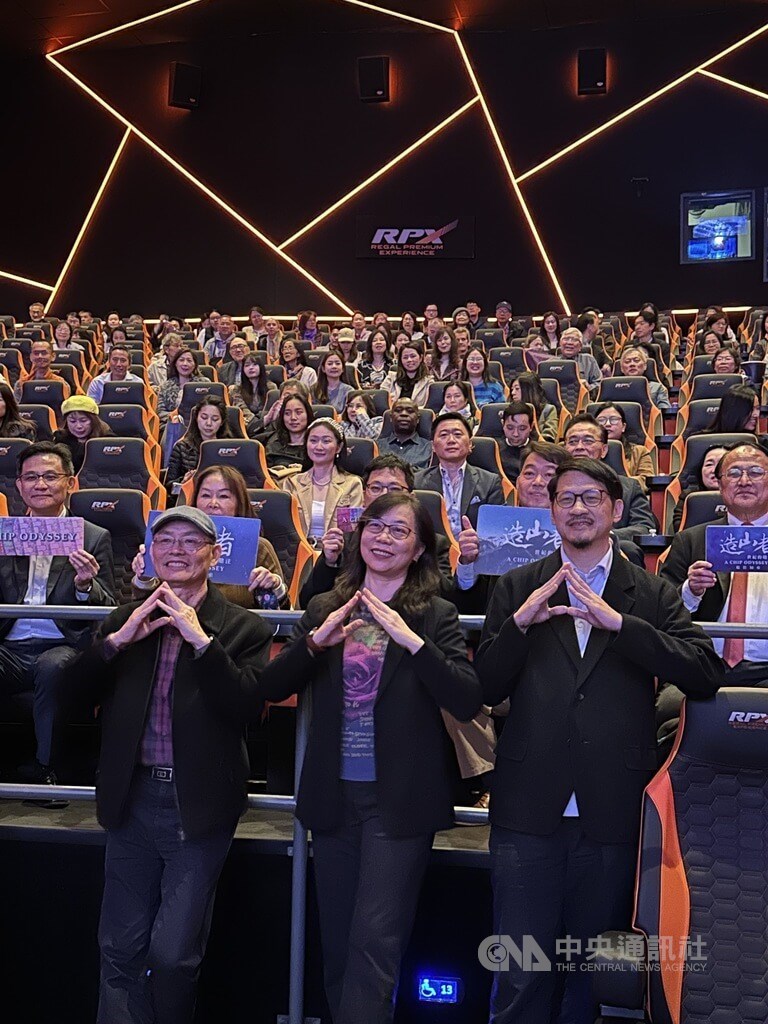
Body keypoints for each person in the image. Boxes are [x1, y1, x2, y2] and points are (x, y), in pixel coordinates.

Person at [477, 457, 722, 1024]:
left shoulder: (651, 593)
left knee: (594, 978)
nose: (578, 508)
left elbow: (704, 673)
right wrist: (518, 626)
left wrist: (622, 627)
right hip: (527, 808)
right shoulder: (519, 585)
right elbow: (483, 685)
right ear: (551, 509)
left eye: (590, 498)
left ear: (615, 509)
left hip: (612, 811)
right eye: (565, 498)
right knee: (521, 972)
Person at [259, 492, 481, 1024]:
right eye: (375, 526)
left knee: (374, 942)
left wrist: (412, 642)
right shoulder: (324, 606)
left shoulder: (435, 613)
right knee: (337, 943)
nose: (383, 538)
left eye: (399, 531)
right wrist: (314, 643)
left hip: (399, 801)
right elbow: (270, 685)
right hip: (334, 796)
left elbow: (467, 697)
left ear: (421, 550)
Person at [72, 505, 272, 1023]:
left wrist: (200, 641)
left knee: (172, 954)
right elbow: (71, 693)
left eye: (190, 542)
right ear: (150, 554)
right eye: (165, 542)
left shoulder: (243, 627)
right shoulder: (125, 619)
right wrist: (117, 641)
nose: (177, 551)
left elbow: (246, 706)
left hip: (197, 804)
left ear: (215, 554)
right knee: (118, 948)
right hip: (131, 797)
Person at [0, 442, 115, 790]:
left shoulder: (93, 537)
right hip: (10, 645)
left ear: (70, 483)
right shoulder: (5, 536)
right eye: (31, 477)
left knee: (53, 667)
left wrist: (84, 585)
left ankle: (46, 768)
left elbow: (110, 605)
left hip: (63, 643)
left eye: (50, 476)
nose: (40, 484)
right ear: (18, 485)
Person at [660, 441, 768, 686]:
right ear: (719, 485)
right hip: (705, 665)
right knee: (668, 710)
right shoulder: (691, 540)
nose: (744, 481)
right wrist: (691, 590)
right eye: (733, 473)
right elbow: (663, 614)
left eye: (756, 472)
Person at [133, 465, 289, 610]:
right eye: (206, 495)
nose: (213, 503)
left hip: (234, 634)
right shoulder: (169, 543)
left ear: (238, 503)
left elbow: (281, 616)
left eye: (223, 496)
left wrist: (274, 587)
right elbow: (142, 606)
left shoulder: (259, 547)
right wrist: (144, 576)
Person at [563, 414, 657, 565]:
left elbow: (644, 528)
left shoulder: (629, 487)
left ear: (604, 450)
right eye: (573, 441)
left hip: (612, 556)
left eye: (588, 441)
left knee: (629, 549)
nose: (579, 447)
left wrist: (604, 536)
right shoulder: (551, 486)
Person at [415, 412, 504, 537]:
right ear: (433, 446)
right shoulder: (417, 482)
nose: (451, 440)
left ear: (470, 444)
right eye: (443, 435)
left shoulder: (490, 482)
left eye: (457, 434)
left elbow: (496, 531)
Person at [282, 418, 364, 544]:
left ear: (338, 447)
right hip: (298, 553)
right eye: (313, 441)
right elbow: (286, 530)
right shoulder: (292, 483)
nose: (318, 446)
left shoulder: (352, 485)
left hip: (337, 553)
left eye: (326, 441)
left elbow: (349, 531)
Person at [166, 396, 233, 487]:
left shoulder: (231, 448)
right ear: (196, 418)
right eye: (204, 417)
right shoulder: (181, 447)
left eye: (215, 419)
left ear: (222, 422)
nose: (208, 423)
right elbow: (169, 486)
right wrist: (183, 481)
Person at [594, 402, 653, 491]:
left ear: (623, 427)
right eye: (601, 420)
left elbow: (646, 481)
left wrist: (611, 484)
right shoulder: (585, 450)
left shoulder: (640, 451)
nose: (607, 424)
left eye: (613, 419)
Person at [670, 444, 728, 532]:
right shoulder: (688, 496)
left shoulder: (744, 495)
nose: (714, 470)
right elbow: (679, 527)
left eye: (721, 464)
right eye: (709, 464)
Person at [52, 395, 113, 472]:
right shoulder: (61, 439)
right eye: (72, 421)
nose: (78, 426)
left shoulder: (106, 439)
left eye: (83, 420)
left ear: (94, 421)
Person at [156, 346, 208, 427]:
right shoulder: (165, 386)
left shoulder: (205, 384)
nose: (185, 364)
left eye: (189, 360)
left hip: (200, 424)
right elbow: (160, 412)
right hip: (172, 424)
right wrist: (174, 417)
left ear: (195, 365)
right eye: (181, 360)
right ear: (175, 363)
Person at [229, 352, 276, 437]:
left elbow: (270, 410)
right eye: (247, 365)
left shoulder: (271, 387)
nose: (251, 368)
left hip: (267, 426)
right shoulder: (236, 389)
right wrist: (257, 423)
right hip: (247, 425)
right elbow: (242, 410)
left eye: (254, 364)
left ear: (261, 367)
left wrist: (263, 421)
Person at [377, 397, 432, 469]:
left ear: (418, 419)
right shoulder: (376, 446)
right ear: (390, 417)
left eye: (410, 411)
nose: (404, 414)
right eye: (398, 410)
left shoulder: (430, 448)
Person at [265, 391, 313, 473]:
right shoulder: (273, 445)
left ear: (308, 414)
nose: (293, 418)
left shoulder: (316, 446)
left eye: (298, 412)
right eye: (287, 413)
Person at [510, 371, 558, 441]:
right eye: (512, 389)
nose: (512, 393)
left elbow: (549, 437)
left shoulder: (548, 410)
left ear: (528, 390)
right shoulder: (509, 410)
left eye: (517, 389)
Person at [383, 340, 432, 407]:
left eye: (413, 356)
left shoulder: (429, 381)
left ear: (420, 358)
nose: (409, 360)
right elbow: (382, 401)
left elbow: (428, 407)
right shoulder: (390, 378)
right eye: (405, 357)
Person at [498, 402, 534, 482]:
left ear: (531, 427)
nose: (515, 434)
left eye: (522, 428)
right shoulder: (493, 449)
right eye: (510, 428)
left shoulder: (538, 452)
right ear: (503, 424)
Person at [557, 327, 601, 394]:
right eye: (566, 339)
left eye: (574, 340)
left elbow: (599, 383)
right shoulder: (550, 363)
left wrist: (588, 387)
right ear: (560, 344)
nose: (569, 342)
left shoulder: (588, 360)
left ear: (580, 346)